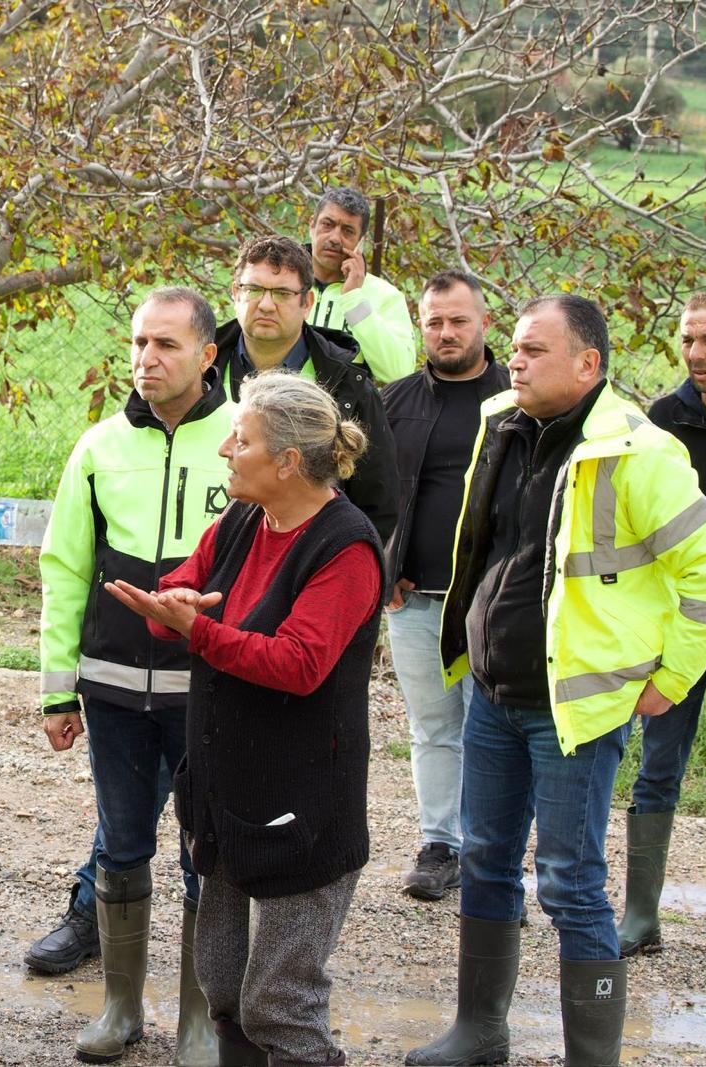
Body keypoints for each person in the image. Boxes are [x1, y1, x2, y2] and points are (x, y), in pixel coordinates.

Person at [406, 295, 706, 1067]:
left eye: (535, 350)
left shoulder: (639, 452)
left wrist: (673, 677)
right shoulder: (501, 422)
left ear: (588, 363)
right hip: (492, 695)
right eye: (514, 346)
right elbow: (487, 546)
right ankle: (480, 1030)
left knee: (570, 881)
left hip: (575, 707)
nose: (515, 360)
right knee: (484, 859)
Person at [109, 369, 382, 1067]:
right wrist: (172, 604)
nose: (225, 448)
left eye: (242, 439)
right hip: (228, 794)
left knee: (279, 1003)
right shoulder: (242, 519)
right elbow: (187, 585)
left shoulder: (346, 547)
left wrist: (196, 630)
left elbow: (299, 663)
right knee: (224, 985)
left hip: (304, 807)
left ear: (287, 461)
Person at [37, 288, 231, 1065]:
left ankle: (199, 1019)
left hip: (209, 694)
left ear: (208, 355)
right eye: (139, 342)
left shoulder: (244, 440)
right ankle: (119, 1008)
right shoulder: (98, 447)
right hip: (113, 691)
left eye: (166, 344)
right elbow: (64, 570)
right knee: (121, 845)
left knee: (206, 853)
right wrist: (58, 688)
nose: (147, 358)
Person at [381, 271, 509, 902]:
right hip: (417, 601)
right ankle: (440, 845)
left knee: (496, 731)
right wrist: (384, 567)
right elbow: (366, 494)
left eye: (459, 320)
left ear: (485, 322)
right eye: (434, 321)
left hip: (497, 603)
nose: (446, 332)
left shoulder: (519, 400)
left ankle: (492, 851)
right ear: (421, 327)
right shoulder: (394, 402)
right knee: (433, 728)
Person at [616, 289, 706, 956]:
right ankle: (642, 915)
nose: (696, 353)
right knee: (658, 765)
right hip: (686, 617)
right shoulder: (664, 419)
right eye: (688, 339)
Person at [216, 234, 400, 545]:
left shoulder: (348, 389)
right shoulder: (197, 372)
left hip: (305, 568)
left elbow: (378, 506)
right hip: (197, 567)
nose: (266, 304)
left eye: (282, 293)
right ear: (235, 293)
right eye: (254, 289)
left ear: (307, 303)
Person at [305, 186, 416, 385]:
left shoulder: (385, 296)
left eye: (348, 231)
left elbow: (399, 373)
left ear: (360, 241)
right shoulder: (283, 285)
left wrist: (353, 299)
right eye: (327, 225)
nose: (335, 238)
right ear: (312, 225)